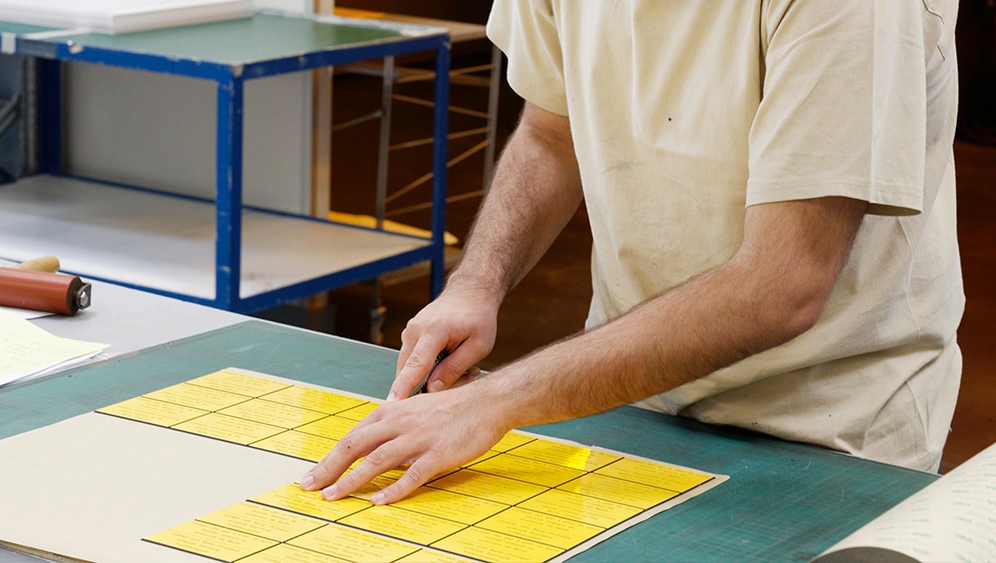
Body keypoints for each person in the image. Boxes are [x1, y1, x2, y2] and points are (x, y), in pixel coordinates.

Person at [300, 0, 964, 505]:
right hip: (631, 396)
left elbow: (782, 283)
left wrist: (494, 399)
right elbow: (550, 132)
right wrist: (478, 283)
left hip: (830, 433)